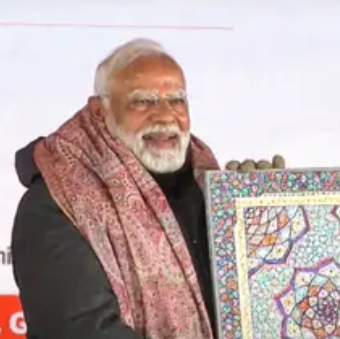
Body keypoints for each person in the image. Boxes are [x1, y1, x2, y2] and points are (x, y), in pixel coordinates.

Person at [11, 38, 280, 339]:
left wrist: (269, 216)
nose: (165, 116)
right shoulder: (56, 203)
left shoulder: (206, 186)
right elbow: (83, 331)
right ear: (101, 111)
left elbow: (262, 303)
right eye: (143, 101)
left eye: (177, 100)